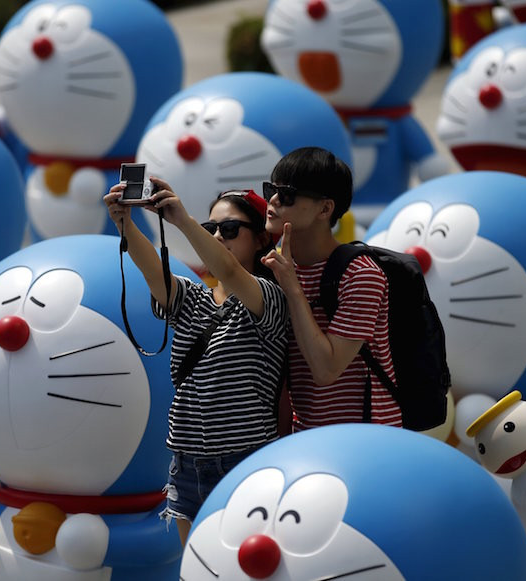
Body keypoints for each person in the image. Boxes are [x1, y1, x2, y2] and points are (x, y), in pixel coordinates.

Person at [104, 179, 288, 545]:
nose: (218, 236)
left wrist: (183, 221)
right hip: (186, 461)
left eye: (231, 229)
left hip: (244, 459)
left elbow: (234, 274)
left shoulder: (269, 296)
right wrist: (124, 222)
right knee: (196, 567)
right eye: (211, 229)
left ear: (261, 239)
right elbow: (154, 272)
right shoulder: (193, 298)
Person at [261, 146, 403, 431]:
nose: (274, 200)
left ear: (325, 209)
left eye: (287, 194)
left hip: (365, 435)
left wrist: (293, 289)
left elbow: (326, 370)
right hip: (305, 434)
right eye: (270, 190)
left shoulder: (361, 274)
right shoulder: (275, 265)